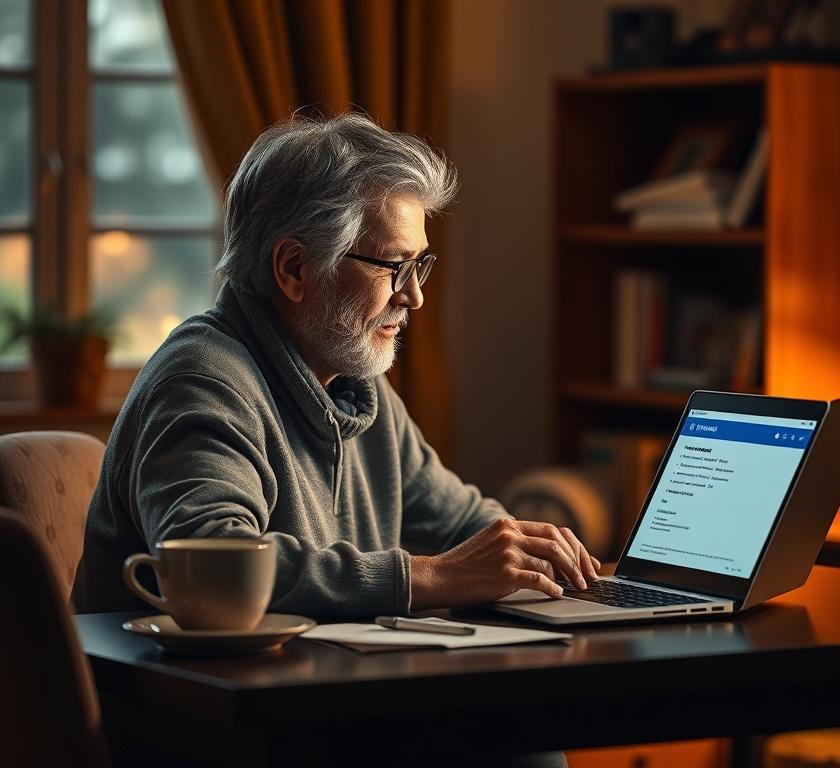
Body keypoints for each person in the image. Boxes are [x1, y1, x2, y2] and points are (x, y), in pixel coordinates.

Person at [72, 111, 599, 622]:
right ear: (294, 268)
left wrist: (532, 556)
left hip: (305, 690)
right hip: (187, 703)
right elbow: (213, 561)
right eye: (394, 266)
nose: (415, 297)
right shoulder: (203, 378)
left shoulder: (355, 383)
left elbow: (460, 523)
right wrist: (431, 577)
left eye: (421, 266)